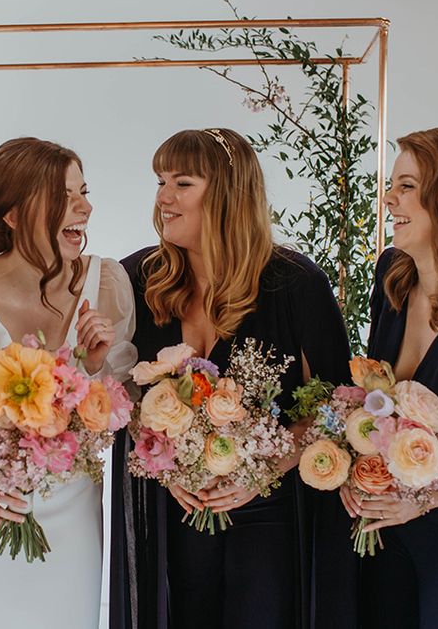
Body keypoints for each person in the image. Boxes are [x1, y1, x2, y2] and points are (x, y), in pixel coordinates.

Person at [111, 128, 351, 629]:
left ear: (226, 191)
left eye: (182, 183)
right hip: (174, 510)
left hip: (270, 514)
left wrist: (260, 469)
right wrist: (163, 462)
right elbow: (118, 395)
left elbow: (337, 403)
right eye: (160, 181)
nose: (163, 197)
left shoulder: (296, 284)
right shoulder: (137, 279)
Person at [0, 137, 137, 628]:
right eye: (65, 196)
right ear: (13, 215)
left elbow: (123, 412)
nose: (85, 207)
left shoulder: (107, 285)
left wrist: (96, 367)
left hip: (73, 507)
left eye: (84, 191)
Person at [340, 128, 438, 629]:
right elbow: (373, 399)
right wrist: (353, 468)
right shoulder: (393, 280)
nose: (388, 198)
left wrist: (424, 499)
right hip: (383, 535)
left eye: (406, 186)